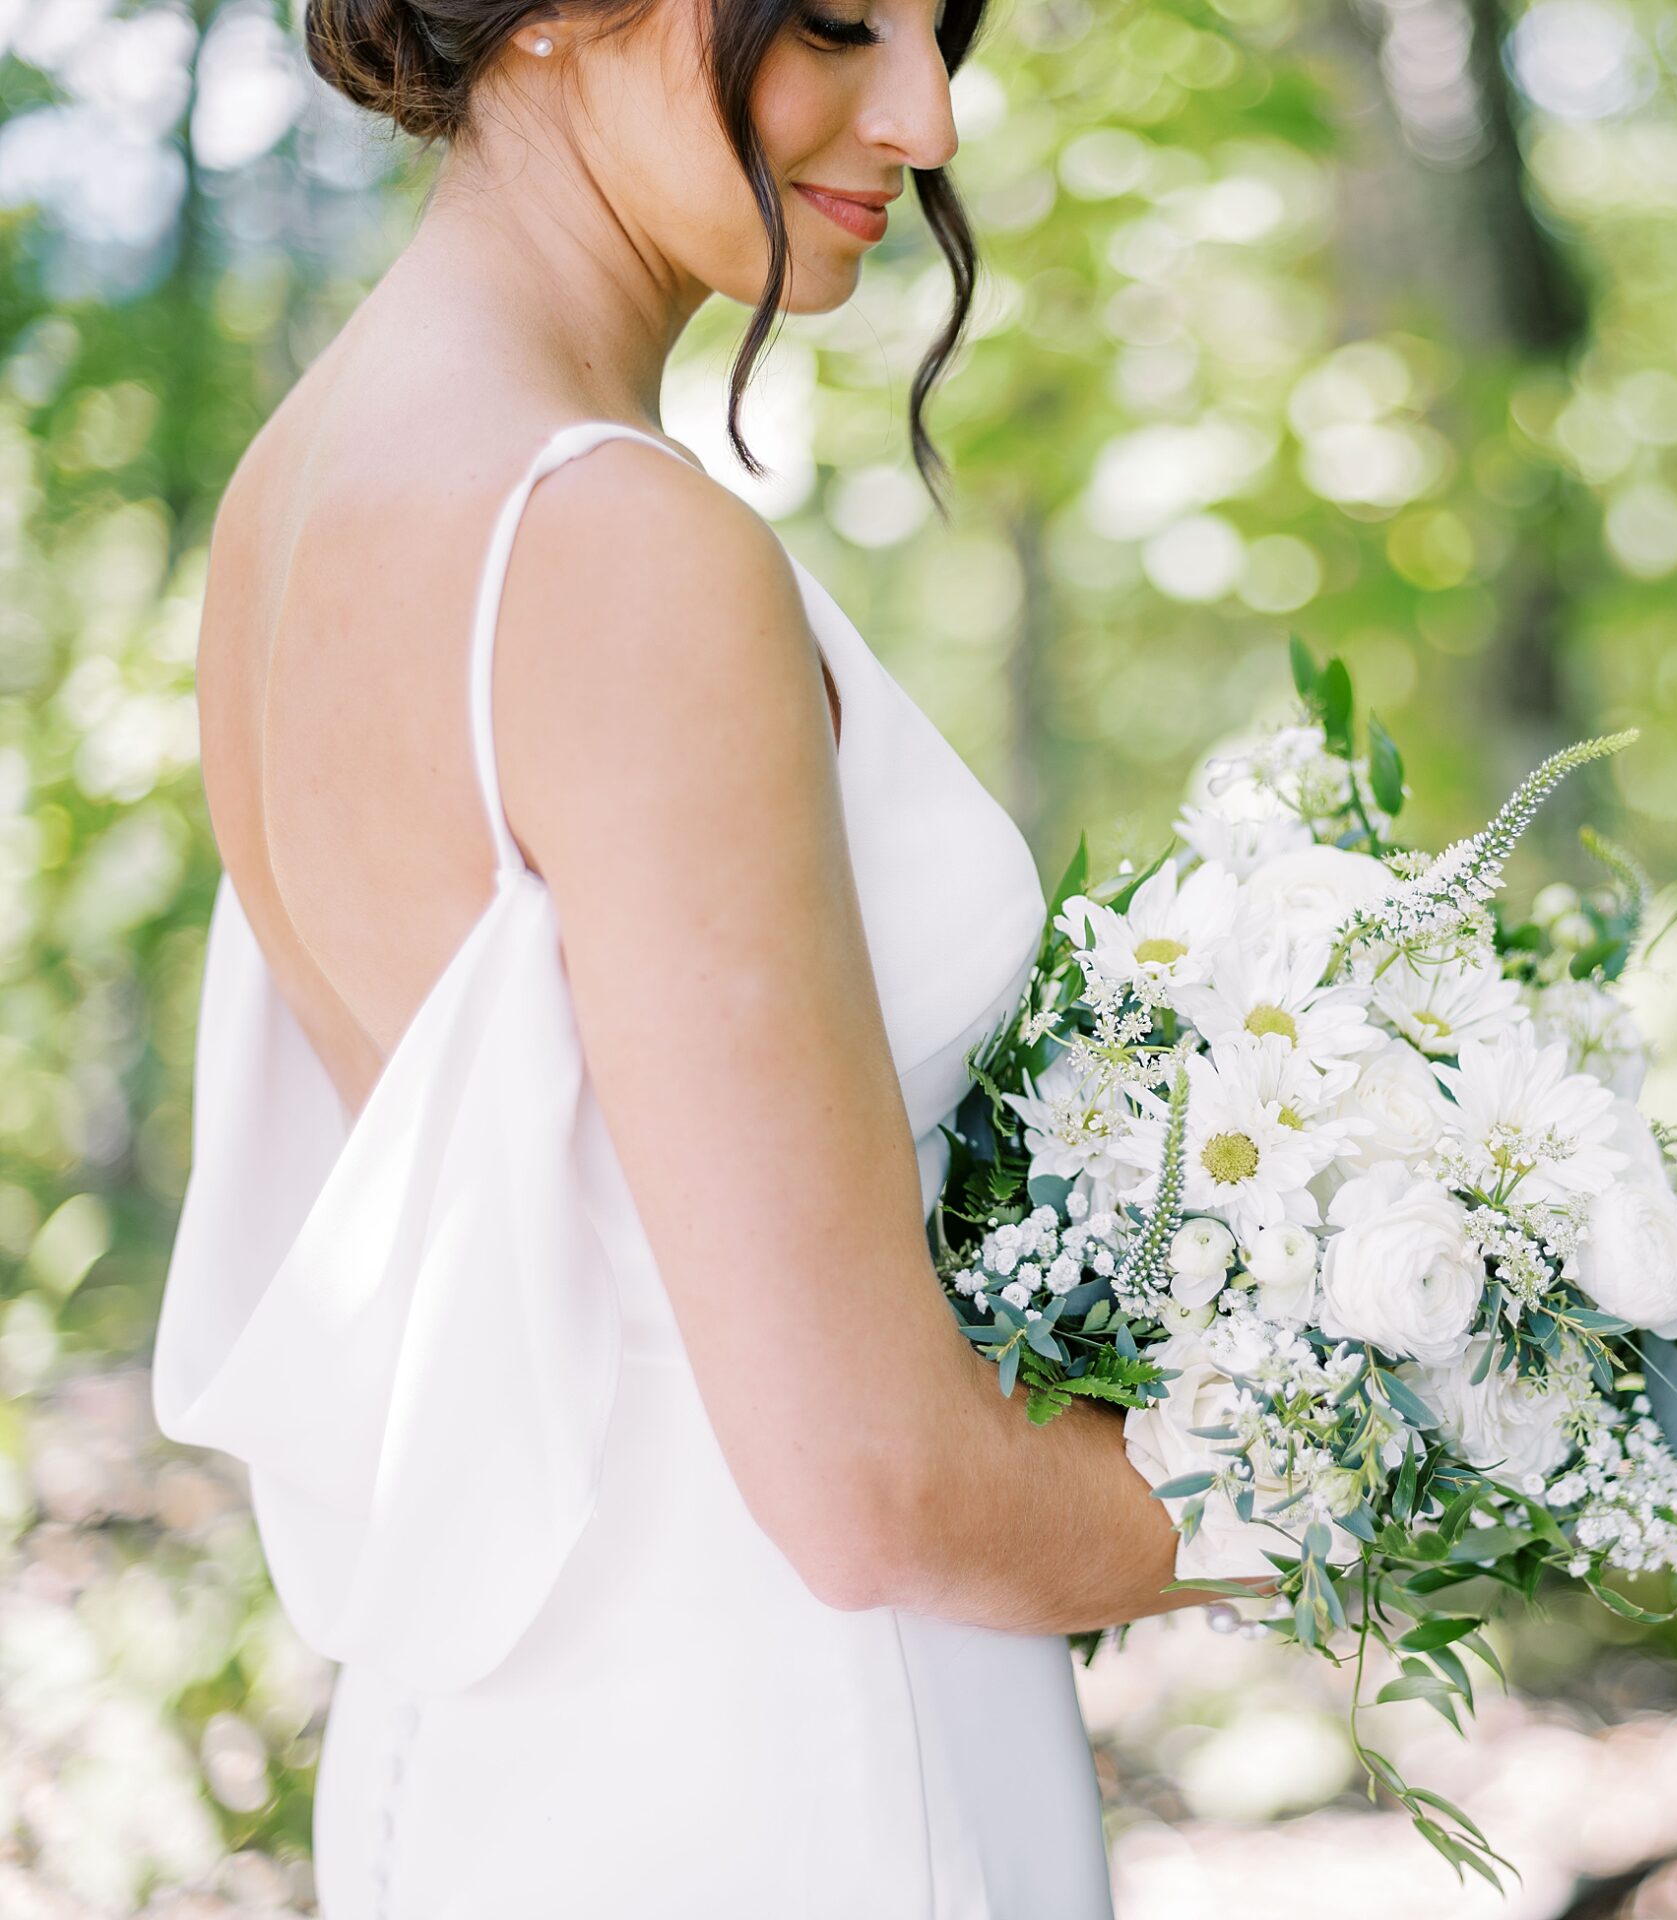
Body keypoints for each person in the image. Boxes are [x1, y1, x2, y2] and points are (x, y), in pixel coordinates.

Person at [145, 0, 1205, 1911]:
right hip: (804, 1785)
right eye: (831, 21)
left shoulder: (289, 500)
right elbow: (875, 1475)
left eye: (938, 27)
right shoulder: (618, 550)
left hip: (484, 1765)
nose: (927, 113)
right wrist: (1364, 1448)